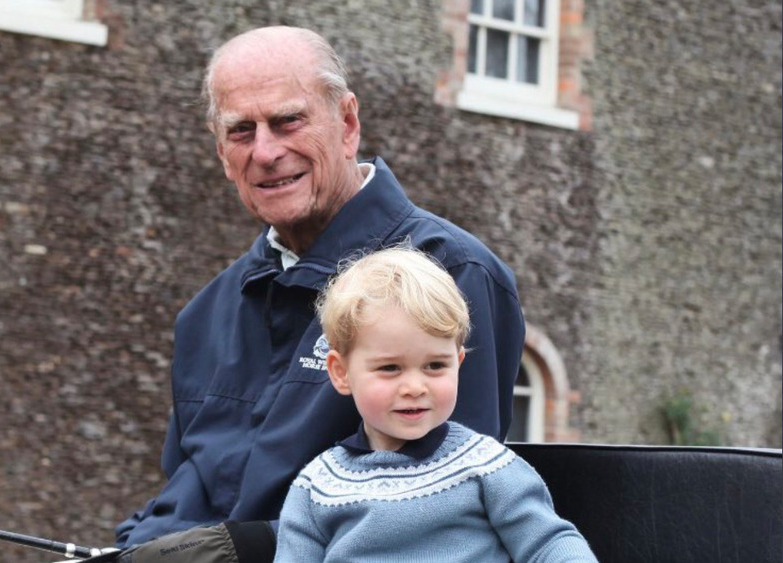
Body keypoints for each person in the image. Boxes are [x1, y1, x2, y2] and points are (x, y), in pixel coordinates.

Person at [113, 26, 525, 562]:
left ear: (347, 122)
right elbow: (184, 498)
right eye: (242, 132)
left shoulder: (449, 272)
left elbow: (444, 514)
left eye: (288, 121)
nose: (265, 151)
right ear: (221, 153)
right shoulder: (205, 314)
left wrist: (239, 549)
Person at [273, 246, 596, 562]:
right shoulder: (319, 485)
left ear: (458, 363)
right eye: (390, 368)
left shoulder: (486, 465)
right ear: (341, 373)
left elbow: (548, 543)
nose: (415, 387)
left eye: (435, 366)